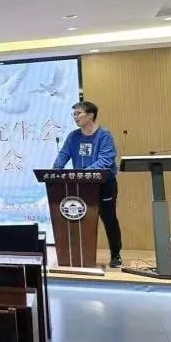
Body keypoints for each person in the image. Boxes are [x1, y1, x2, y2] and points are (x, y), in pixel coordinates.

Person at [53, 100, 123, 268]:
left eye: (78, 113)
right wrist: (55, 171)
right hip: (81, 185)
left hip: (104, 184)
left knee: (108, 218)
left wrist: (84, 173)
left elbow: (105, 160)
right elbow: (63, 155)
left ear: (90, 115)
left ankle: (116, 255)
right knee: (80, 219)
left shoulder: (104, 135)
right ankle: (80, 256)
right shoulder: (73, 136)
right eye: (74, 114)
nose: (75, 117)